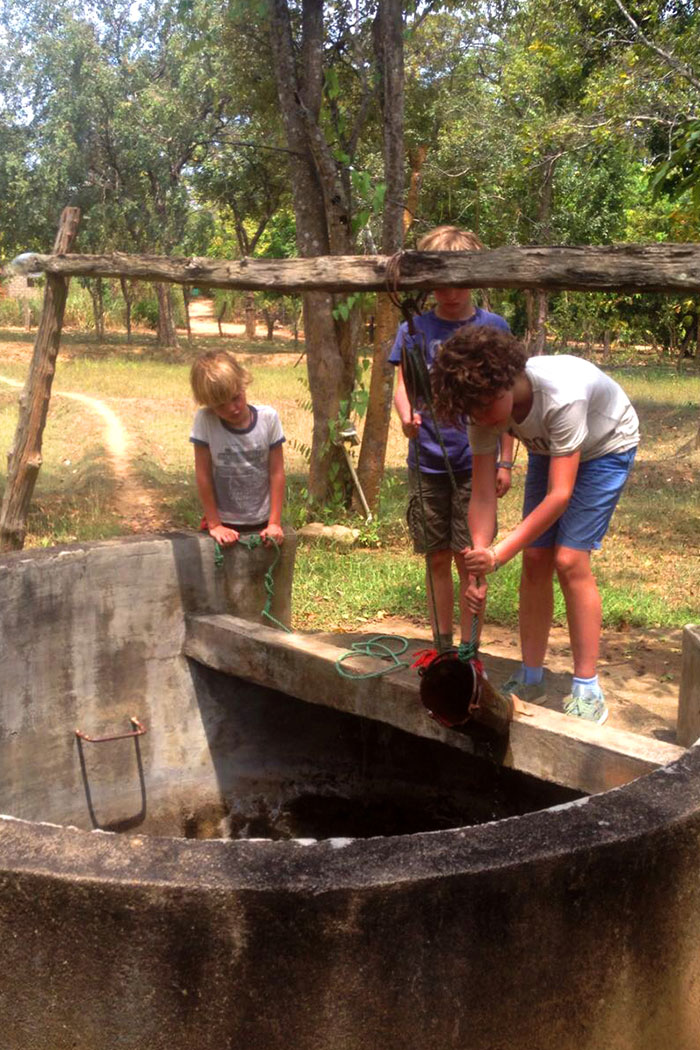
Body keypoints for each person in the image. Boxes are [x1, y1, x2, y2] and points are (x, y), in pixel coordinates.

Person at [431, 325, 640, 724]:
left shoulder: (562, 396)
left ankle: (586, 687)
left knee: (568, 559)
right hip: (551, 445)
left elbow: (560, 495)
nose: (480, 418)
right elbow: (482, 493)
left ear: (509, 381)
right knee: (534, 558)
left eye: (485, 407)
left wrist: (497, 554)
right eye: (471, 412)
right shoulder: (483, 408)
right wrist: (480, 557)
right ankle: (531, 676)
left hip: (606, 444)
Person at [389, 225, 514, 653]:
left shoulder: (493, 326)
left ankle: (469, 648)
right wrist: (407, 418)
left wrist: (506, 461)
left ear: (475, 277)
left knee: (470, 558)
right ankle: (442, 647)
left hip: (474, 463)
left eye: (458, 281)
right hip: (426, 461)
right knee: (436, 556)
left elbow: (508, 396)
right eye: (439, 282)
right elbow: (402, 386)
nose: (449, 291)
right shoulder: (413, 329)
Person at [189, 349, 285, 548]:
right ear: (208, 405)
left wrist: (274, 523)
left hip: (262, 521)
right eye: (220, 406)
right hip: (223, 522)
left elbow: (276, 473)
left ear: (243, 383)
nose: (232, 408)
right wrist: (215, 524)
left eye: (235, 398)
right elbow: (203, 474)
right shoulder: (205, 421)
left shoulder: (268, 419)